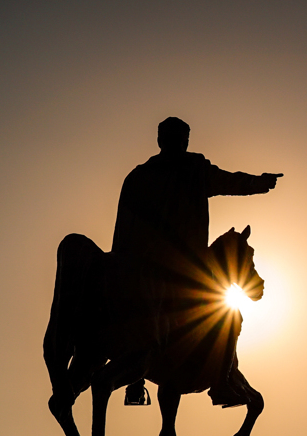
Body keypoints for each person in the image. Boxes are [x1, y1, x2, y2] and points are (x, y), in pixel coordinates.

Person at [112, 117, 282, 406]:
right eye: (184, 138)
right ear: (182, 140)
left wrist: (122, 266)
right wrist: (260, 183)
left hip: (141, 267)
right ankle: (221, 384)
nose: (185, 143)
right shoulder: (193, 168)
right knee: (229, 316)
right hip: (184, 267)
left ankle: (135, 378)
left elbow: (123, 227)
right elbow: (230, 181)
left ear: (159, 141)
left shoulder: (138, 176)